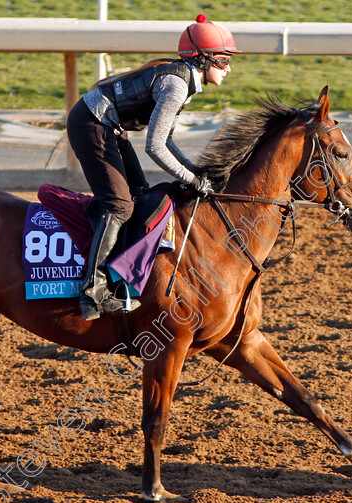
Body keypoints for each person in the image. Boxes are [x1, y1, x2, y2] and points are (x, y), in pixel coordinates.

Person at [67, 13, 241, 321]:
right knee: (120, 205)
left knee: (138, 195)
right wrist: (192, 179)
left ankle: (119, 276)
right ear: (202, 60)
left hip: (108, 126)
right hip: (89, 123)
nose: (229, 69)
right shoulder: (176, 85)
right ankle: (92, 291)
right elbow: (155, 147)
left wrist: (195, 172)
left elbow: (167, 140)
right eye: (223, 61)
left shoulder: (183, 81)